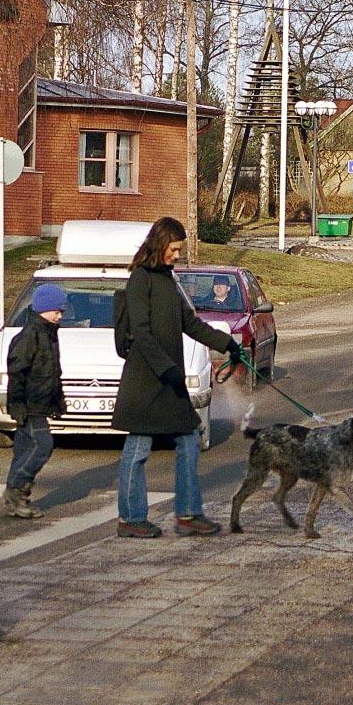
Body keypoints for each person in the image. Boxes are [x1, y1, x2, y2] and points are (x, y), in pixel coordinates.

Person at [112, 217, 242, 538]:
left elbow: (191, 324)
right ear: (159, 244)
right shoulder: (140, 280)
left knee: (188, 441)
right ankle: (130, 519)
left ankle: (187, 514)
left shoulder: (169, 280)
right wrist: (166, 368)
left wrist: (226, 344)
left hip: (169, 380)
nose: (176, 254)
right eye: (173, 248)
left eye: (179, 250)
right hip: (146, 381)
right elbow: (140, 332)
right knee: (139, 447)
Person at [3, 283, 67, 518]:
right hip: (29, 405)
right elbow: (17, 372)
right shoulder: (30, 335)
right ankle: (16, 490)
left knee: (25, 449)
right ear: (42, 309)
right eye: (56, 311)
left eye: (61, 312)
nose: (60, 316)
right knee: (42, 445)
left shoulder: (49, 334)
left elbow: (52, 372)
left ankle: (17, 498)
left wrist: (58, 400)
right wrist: (17, 403)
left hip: (40, 403)